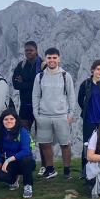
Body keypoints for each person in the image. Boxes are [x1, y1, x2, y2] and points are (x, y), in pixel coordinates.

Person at [31, 47, 76, 180]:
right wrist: (36, 114)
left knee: (65, 143)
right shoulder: (40, 76)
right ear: (45, 59)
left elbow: (71, 96)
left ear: (59, 59)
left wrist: (71, 114)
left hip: (61, 116)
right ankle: (50, 169)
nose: (52, 60)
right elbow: (36, 96)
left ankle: (67, 169)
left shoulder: (65, 76)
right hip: (43, 116)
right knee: (45, 143)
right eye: (49, 58)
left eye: (54, 58)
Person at [78, 59, 100, 181]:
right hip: (89, 119)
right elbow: (80, 99)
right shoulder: (86, 84)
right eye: (98, 69)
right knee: (87, 145)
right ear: (92, 70)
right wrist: (86, 110)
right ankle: (85, 170)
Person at [0, 110, 36, 198]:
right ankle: (13, 180)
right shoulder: (0, 132)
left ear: (16, 120)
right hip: (12, 163)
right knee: (1, 176)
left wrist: (8, 160)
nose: (9, 121)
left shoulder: (22, 131)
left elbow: (26, 151)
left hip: (25, 161)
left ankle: (28, 185)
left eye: (12, 119)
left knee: (26, 160)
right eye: (6, 119)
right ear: (2, 121)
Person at [12, 41, 42, 131]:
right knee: (23, 134)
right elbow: (16, 85)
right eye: (26, 50)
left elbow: (43, 86)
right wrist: (34, 83)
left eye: (31, 50)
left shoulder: (43, 66)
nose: (29, 52)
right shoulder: (21, 66)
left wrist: (23, 83)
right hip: (25, 106)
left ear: (36, 51)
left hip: (40, 107)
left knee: (42, 138)